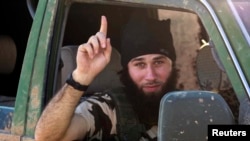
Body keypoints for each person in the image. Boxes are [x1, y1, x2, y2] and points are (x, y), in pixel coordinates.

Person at [35, 15, 177, 141]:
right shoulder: (109, 108)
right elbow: (48, 138)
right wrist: (80, 78)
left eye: (158, 62)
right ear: (127, 70)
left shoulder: (186, 103)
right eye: (140, 64)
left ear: (172, 65)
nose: (150, 75)